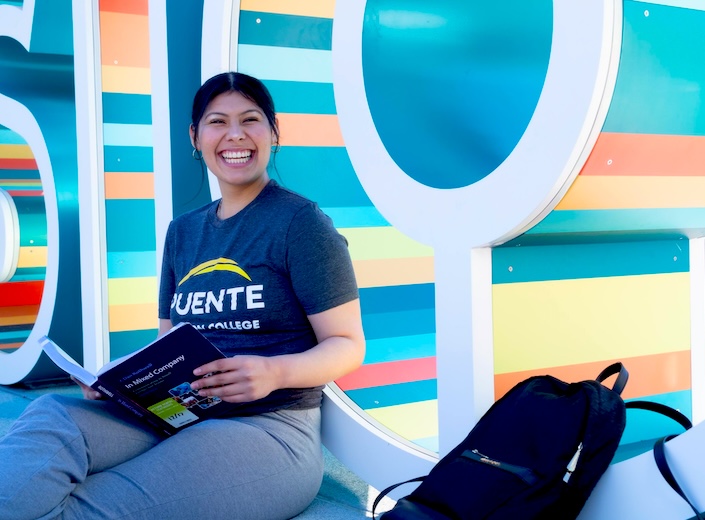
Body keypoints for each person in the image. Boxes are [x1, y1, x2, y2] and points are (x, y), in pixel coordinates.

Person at [0, 71, 366, 519]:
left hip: (269, 426)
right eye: (217, 122)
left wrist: (273, 371)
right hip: (178, 412)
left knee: (93, 507)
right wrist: (119, 381)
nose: (235, 135)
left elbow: (348, 345)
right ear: (195, 136)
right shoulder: (184, 232)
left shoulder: (300, 224)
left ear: (272, 132)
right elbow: (169, 347)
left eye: (250, 120)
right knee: (51, 417)